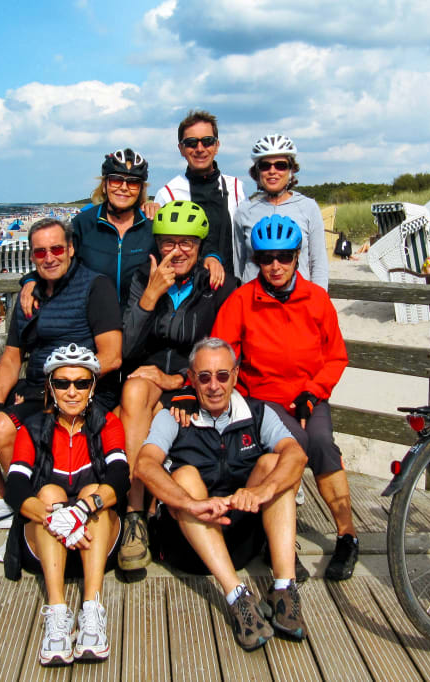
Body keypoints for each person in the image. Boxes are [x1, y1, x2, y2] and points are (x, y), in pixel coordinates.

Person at [0, 219, 123, 553]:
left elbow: (111, 356)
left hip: (76, 389)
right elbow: (12, 357)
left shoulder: (95, 286)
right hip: (33, 384)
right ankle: (2, 502)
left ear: (70, 249)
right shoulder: (31, 294)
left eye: (57, 248)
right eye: (40, 251)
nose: (49, 257)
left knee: (0, 430)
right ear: (32, 255)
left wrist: (63, 386)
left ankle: (31, 513)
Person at [211, 215, 361, 581]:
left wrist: (314, 392)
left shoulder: (317, 299)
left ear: (297, 256)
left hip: (309, 394)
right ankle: (281, 541)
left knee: (324, 444)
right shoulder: (241, 300)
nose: (275, 266)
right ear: (255, 260)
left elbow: (336, 356)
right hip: (262, 399)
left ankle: (347, 535)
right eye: (265, 258)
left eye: (283, 257)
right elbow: (222, 354)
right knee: (293, 444)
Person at [135, 337, 309, 650]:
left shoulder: (257, 413)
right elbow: (145, 466)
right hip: (188, 544)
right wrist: (191, 503)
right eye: (204, 377)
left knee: (276, 464)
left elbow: (296, 455)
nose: (214, 385)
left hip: (240, 537)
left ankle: (284, 588)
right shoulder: (174, 415)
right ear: (191, 380)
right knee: (185, 474)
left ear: (236, 375)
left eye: (222, 375)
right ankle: (237, 596)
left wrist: (260, 491)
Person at [116, 201, 237, 572]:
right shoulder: (142, 277)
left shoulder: (217, 282)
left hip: (193, 380)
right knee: (136, 391)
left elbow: (222, 351)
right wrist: (150, 297)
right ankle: (136, 514)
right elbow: (125, 350)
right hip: (148, 375)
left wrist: (179, 379)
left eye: (187, 243)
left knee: (144, 402)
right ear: (157, 245)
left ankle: (145, 511)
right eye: (168, 243)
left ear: (202, 247)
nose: (177, 251)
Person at [1, 344, 129, 666]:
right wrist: (56, 516)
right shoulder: (32, 428)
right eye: (62, 383)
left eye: (81, 383)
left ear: (92, 387)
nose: (72, 391)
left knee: (94, 490)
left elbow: (120, 477)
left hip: (96, 544)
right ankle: (57, 614)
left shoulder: (108, 424)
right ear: (50, 387)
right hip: (46, 544)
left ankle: (91, 609)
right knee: (48, 493)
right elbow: (15, 487)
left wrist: (84, 510)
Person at [17, 149, 154, 319]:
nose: (124, 188)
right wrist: (31, 280)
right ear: (105, 185)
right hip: (92, 326)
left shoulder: (150, 227)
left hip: (139, 326)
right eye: (116, 180)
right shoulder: (83, 223)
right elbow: (58, 259)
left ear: (140, 189)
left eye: (133, 182)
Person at [157, 110, 246, 290]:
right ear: (181, 149)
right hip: (188, 295)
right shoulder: (168, 193)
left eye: (207, 141)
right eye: (191, 143)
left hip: (232, 288)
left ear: (217, 145)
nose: (200, 149)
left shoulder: (236, 188)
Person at [233, 135, 329, 289]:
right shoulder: (244, 211)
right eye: (265, 165)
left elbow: (318, 264)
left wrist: (319, 302)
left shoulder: (308, 207)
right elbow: (239, 264)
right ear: (257, 171)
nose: (273, 171)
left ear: (291, 170)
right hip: (254, 303)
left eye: (280, 165)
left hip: (297, 303)